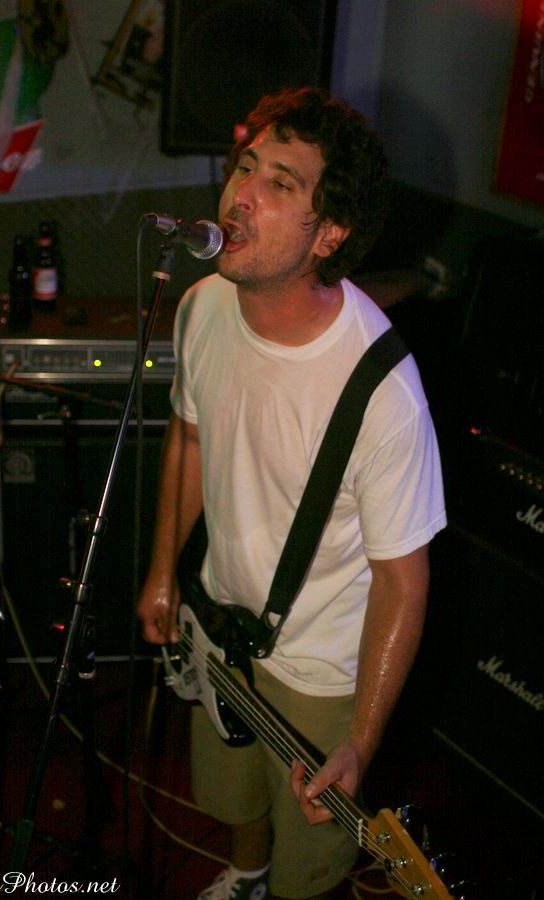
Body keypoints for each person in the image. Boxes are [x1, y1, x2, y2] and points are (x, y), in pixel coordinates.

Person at [137, 86, 446, 900]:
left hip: (321, 671)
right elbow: (189, 438)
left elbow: (403, 581)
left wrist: (362, 741)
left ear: (329, 231)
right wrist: (164, 572)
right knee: (232, 799)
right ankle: (246, 872)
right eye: (245, 167)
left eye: (280, 182)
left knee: (310, 872)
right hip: (219, 621)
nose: (240, 194)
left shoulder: (383, 392)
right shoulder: (202, 306)